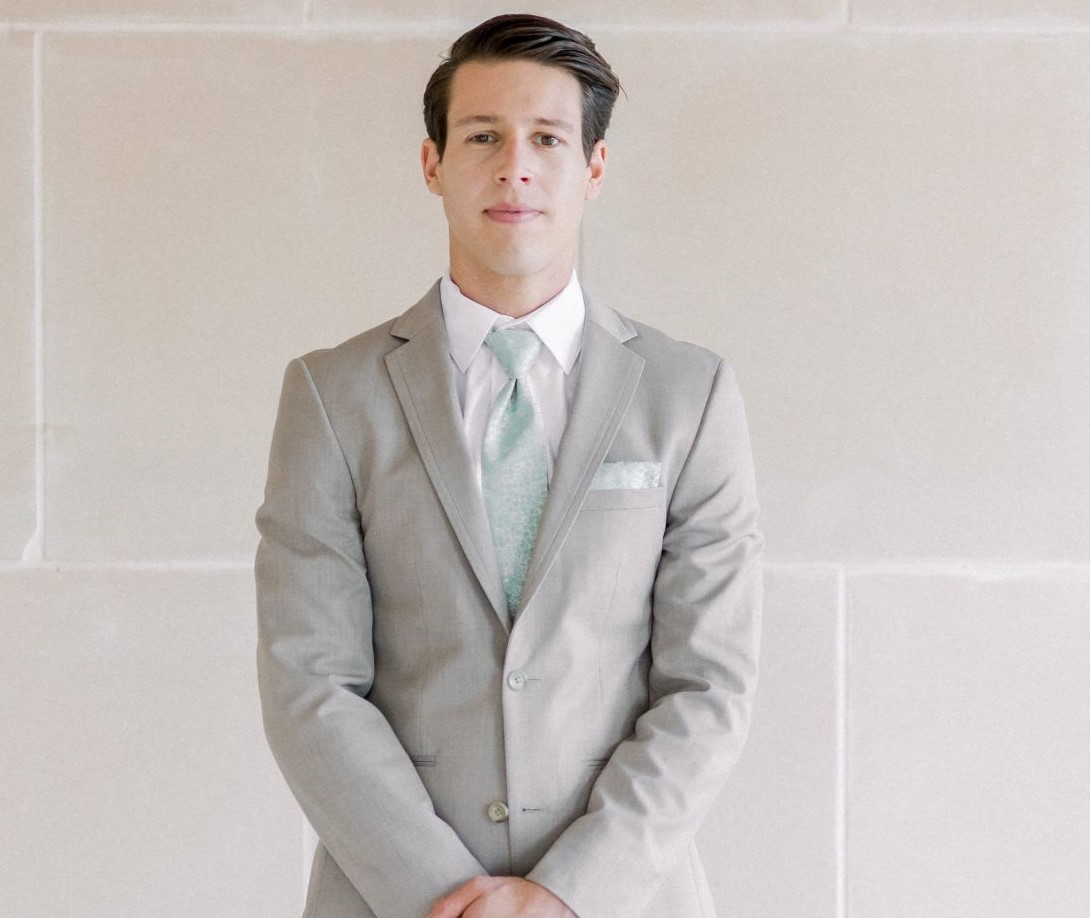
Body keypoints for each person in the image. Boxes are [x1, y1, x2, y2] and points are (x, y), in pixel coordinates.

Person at [256, 13, 762, 918]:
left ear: (593, 168)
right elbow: (310, 680)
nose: (514, 165)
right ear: (432, 163)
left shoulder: (690, 395)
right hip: (392, 899)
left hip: (626, 898)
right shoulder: (332, 395)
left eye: (547, 139)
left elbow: (708, 685)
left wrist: (570, 894)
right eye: (482, 136)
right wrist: (445, 893)